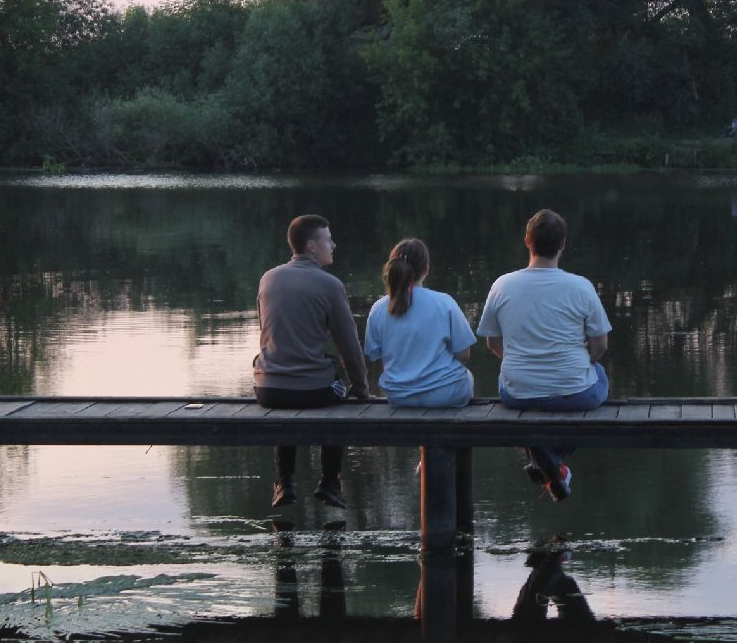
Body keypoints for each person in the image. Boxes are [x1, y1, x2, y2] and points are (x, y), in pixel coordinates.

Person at [477, 209, 611, 501]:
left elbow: (491, 343)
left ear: (527, 240)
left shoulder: (502, 285)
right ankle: (553, 458)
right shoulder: (581, 287)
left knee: (535, 404)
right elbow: (600, 346)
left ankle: (549, 461)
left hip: (516, 392)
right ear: (563, 244)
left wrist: (524, 365)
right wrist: (582, 364)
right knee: (599, 376)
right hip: (575, 392)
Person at [253, 214, 370, 509]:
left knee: (284, 397)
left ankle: (284, 481)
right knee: (339, 396)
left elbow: (266, 335)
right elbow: (349, 346)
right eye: (327, 239)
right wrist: (361, 386)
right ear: (311, 246)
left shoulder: (268, 278)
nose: (333, 244)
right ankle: (330, 482)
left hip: (268, 391)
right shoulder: (330, 285)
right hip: (314, 392)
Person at [363, 238, 476, 408]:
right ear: (426, 269)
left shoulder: (378, 309)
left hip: (399, 396)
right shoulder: (444, 302)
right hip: (446, 393)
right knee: (467, 377)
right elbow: (464, 354)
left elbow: (373, 354)